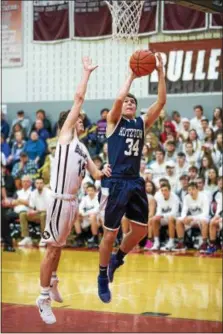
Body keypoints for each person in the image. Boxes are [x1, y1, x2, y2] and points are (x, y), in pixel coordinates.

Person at [35, 57, 111, 325]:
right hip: (58, 201)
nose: (82, 121)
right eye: (78, 119)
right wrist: (86, 73)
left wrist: (107, 171)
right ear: (68, 122)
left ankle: (52, 281)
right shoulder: (66, 138)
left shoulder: (82, 147)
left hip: (72, 203)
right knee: (51, 250)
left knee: (60, 248)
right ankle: (42, 298)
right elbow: (78, 98)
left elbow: (95, 173)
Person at [97, 53, 166, 303]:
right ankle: (102, 276)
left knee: (139, 231)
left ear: (136, 108)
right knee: (109, 234)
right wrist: (131, 76)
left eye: (132, 102)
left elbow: (161, 101)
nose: (128, 103)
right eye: (126, 101)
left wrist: (160, 72)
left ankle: (117, 259)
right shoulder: (113, 122)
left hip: (135, 181)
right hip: (116, 181)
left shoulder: (140, 123)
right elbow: (117, 98)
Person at [174, 182, 210, 252]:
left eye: (193, 189)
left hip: (203, 217)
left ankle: (205, 244)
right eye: (189, 190)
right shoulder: (186, 197)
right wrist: (184, 218)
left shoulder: (204, 197)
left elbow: (205, 213)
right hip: (192, 218)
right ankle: (181, 243)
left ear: (197, 189)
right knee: (179, 221)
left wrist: (192, 218)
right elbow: (184, 211)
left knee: (204, 221)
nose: (191, 191)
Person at [150, 183, 179, 251]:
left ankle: (171, 242)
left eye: (165, 190)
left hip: (175, 217)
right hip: (164, 217)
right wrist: (158, 216)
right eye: (162, 190)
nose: (163, 192)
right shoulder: (160, 197)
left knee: (170, 218)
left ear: (169, 190)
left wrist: (162, 215)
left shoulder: (175, 198)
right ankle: (156, 242)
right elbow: (159, 210)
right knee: (154, 219)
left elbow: (174, 213)